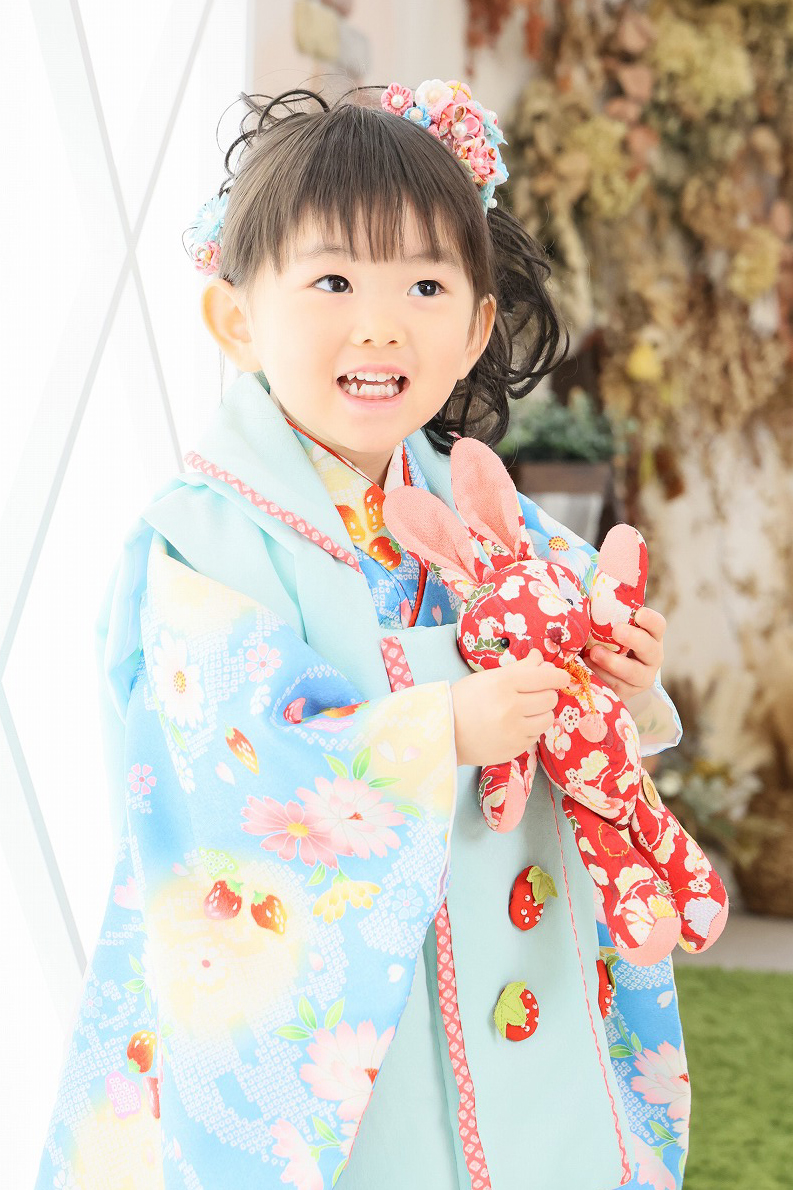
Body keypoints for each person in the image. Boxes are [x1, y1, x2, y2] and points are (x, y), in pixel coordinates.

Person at [35, 81, 691, 1190]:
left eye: (425, 285)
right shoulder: (205, 539)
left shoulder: (488, 512)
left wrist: (618, 669)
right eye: (333, 280)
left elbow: (576, 633)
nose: (381, 324)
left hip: (513, 952)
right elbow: (225, 759)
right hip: (356, 1030)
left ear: (475, 327)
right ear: (238, 319)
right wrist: (443, 728)